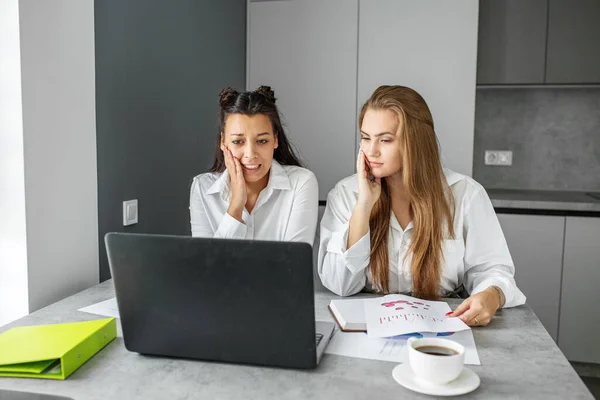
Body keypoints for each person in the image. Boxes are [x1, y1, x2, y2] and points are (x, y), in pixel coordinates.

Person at [318, 85, 526, 326]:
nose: (371, 151)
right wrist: (364, 206)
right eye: (365, 138)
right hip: (367, 332)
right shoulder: (346, 194)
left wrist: (492, 295)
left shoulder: (466, 195)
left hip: (445, 330)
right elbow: (339, 285)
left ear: (415, 142)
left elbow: (493, 271)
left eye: (385, 139)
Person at [189, 86, 318, 245]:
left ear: (275, 140)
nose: (250, 154)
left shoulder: (301, 182)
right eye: (238, 142)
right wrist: (236, 206)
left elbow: (293, 264)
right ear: (223, 142)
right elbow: (205, 266)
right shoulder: (202, 188)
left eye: (262, 141)